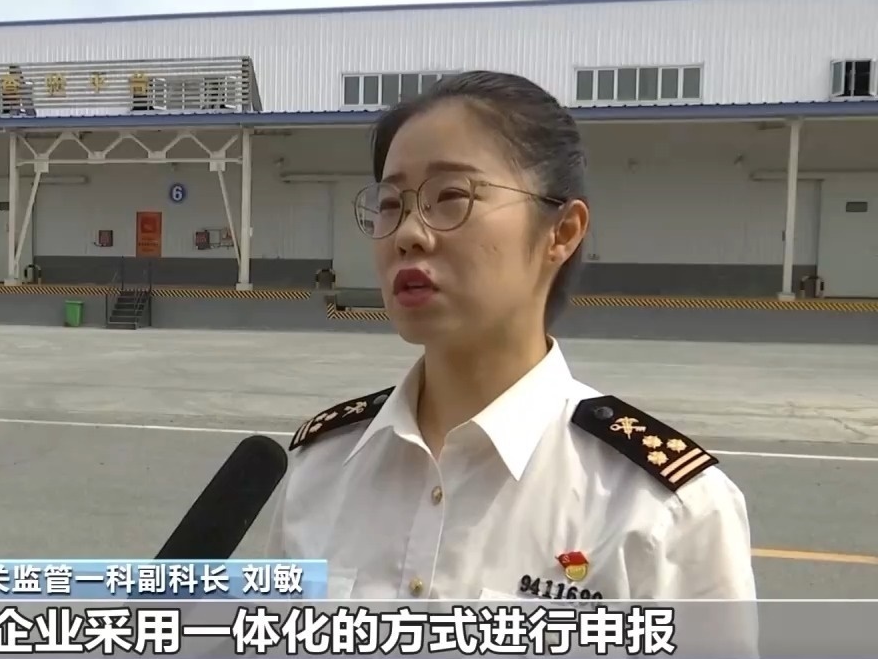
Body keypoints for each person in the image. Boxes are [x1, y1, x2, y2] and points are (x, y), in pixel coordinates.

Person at [264, 70, 757, 648]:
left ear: (562, 232)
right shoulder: (322, 471)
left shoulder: (663, 511)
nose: (408, 234)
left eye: (452, 196)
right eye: (390, 204)